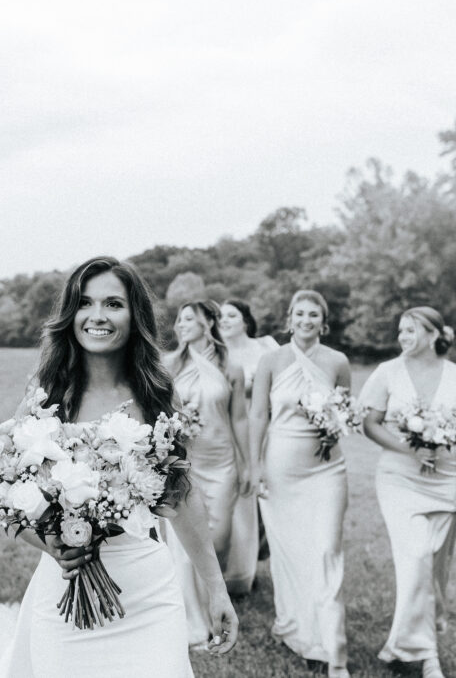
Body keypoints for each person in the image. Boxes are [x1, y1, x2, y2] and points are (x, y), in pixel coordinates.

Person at [0, 256, 238, 678]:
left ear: (134, 315)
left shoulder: (157, 394)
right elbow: (2, 493)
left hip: (147, 593)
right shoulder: (47, 396)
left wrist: (215, 587)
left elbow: (181, 496)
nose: (97, 316)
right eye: (85, 303)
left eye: (113, 304)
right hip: (63, 592)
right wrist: (52, 545)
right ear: (71, 313)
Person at [360, 306, 456, 678]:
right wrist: (408, 449)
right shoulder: (387, 372)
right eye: (400, 330)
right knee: (415, 555)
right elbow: (370, 424)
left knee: (435, 568)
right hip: (399, 478)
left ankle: (404, 644)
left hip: (445, 480)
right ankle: (427, 656)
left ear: (434, 334)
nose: (403, 336)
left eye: (411, 329)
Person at [249, 290, 351, 678]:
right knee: (290, 553)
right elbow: (259, 414)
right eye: (300, 314)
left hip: (327, 470)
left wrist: (333, 431)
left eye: (314, 315)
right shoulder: (271, 360)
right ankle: (296, 628)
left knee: (326, 550)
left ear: (323, 322)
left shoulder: (338, 362)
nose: (306, 320)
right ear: (289, 318)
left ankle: (333, 649)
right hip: (280, 469)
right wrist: (256, 466)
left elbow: (343, 412)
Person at [163, 301, 249, 647]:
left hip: (222, 461)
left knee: (220, 538)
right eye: (179, 319)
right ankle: (193, 620)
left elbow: (240, 418)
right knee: (186, 541)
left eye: (189, 319)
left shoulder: (230, 364)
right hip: (187, 463)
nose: (180, 325)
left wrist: (247, 465)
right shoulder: (170, 364)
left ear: (208, 322)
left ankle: (214, 598)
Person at [218, 298, 279, 591]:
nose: (225, 320)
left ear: (245, 320)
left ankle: (265, 554)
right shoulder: (217, 354)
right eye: (220, 316)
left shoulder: (266, 346)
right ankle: (239, 569)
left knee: (266, 494)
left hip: (267, 428)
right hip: (233, 429)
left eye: (232, 315)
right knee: (241, 499)